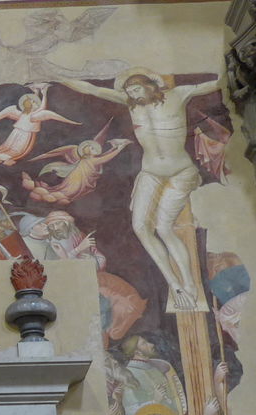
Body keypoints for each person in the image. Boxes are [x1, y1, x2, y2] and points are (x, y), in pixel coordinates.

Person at [61, 70, 222, 310]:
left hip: (180, 172)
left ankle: (189, 284)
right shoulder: (131, 103)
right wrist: (57, 75)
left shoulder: (179, 94)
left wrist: (230, 76)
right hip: (150, 172)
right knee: (140, 227)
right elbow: (93, 89)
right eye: (129, 92)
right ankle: (174, 284)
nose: (133, 95)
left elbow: (209, 86)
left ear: (150, 85)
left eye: (136, 90)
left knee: (164, 228)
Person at [0, 83, 79, 166]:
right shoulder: (29, 114)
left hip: (22, 133)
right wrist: (43, 93)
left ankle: (2, 154)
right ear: (29, 105)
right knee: (12, 147)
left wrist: (38, 93)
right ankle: (3, 154)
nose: (36, 103)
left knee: (13, 147)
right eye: (33, 102)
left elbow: (41, 107)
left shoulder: (27, 113)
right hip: (21, 133)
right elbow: (42, 108)